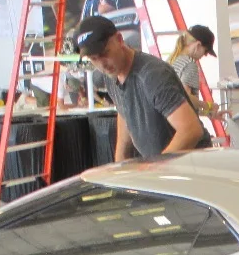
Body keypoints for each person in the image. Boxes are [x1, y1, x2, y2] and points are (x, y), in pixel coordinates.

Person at [75, 15, 208, 161]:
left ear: (119, 40)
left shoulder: (152, 75)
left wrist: (154, 169)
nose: (102, 64)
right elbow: (124, 111)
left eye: (104, 53)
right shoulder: (111, 75)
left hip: (191, 166)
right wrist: (120, 161)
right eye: (93, 59)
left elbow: (191, 130)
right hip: (162, 166)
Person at [167, 24, 217, 118]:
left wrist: (209, 114)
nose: (205, 55)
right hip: (186, 125)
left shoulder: (172, 60)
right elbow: (186, 97)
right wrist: (208, 106)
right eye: (205, 51)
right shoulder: (190, 64)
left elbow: (181, 105)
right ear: (198, 45)